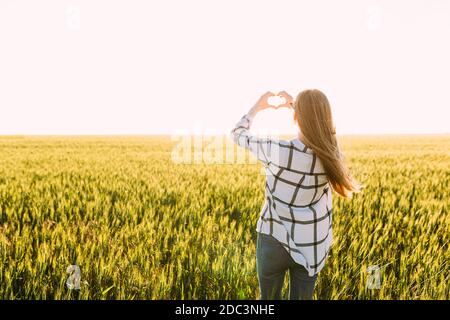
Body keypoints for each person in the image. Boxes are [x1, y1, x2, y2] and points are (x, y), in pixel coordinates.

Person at [230, 90, 361, 299]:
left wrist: (258, 106)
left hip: (273, 238)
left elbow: (237, 133)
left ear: (295, 117)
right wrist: (299, 107)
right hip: (311, 245)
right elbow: (321, 131)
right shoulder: (332, 155)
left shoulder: (276, 150)